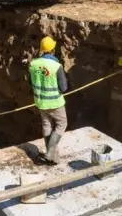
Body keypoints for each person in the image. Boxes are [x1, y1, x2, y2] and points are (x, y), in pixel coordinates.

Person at [29, 36, 68, 165]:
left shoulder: (33, 64)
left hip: (41, 102)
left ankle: (51, 155)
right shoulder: (56, 66)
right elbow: (63, 87)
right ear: (52, 50)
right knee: (62, 124)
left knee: (47, 125)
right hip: (55, 103)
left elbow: (30, 81)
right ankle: (50, 152)